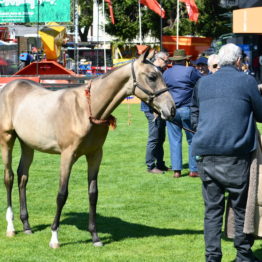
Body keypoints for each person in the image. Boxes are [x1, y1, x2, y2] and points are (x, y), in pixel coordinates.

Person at [190, 43, 262, 262]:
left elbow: (194, 113)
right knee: (240, 208)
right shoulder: (247, 81)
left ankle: (212, 257)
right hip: (236, 154)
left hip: (206, 152)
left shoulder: (203, 82)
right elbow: (260, 114)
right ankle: (243, 254)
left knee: (212, 210)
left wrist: (203, 128)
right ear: (239, 61)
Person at [163, 49, 201, 178]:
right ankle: (193, 169)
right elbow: (201, 83)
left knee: (174, 141)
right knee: (192, 140)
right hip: (188, 109)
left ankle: (177, 171)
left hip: (172, 110)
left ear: (174, 61)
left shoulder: (167, 73)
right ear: (185, 59)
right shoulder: (190, 71)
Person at [141, 51, 170, 174]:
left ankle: (160, 163)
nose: (167, 64)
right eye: (166, 61)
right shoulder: (151, 72)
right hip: (152, 110)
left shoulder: (158, 71)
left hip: (159, 109)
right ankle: (150, 165)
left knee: (161, 138)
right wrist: (153, 110)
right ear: (159, 59)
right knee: (154, 138)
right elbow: (146, 92)